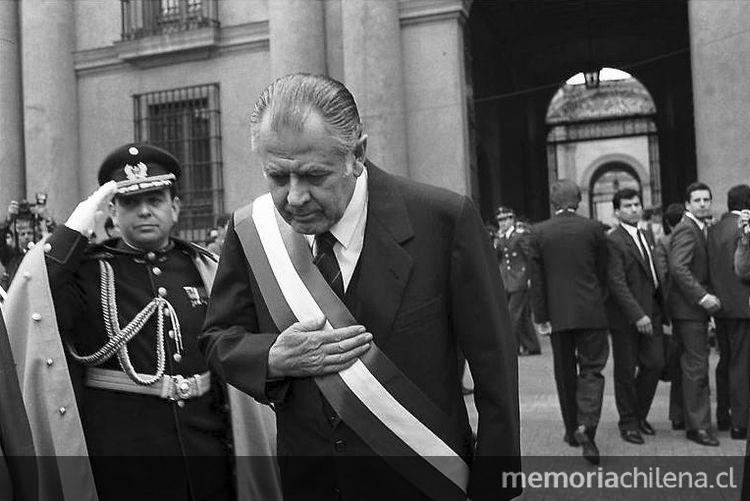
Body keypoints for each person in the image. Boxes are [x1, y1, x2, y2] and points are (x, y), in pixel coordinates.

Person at [200, 73, 521, 501]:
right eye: (277, 177)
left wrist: (495, 486)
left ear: (357, 155)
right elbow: (219, 338)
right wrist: (271, 357)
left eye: (314, 175)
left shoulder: (442, 220)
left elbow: (494, 365)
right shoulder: (251, 232)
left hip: (423, 478)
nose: (294, 198)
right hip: (309, 482)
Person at [3, 143, 279, 500]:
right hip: (125, 458)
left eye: (156, 200)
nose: (145, 211)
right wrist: (75, 227)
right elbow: (35, 293)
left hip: (205, 447)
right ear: (113, 213)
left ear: (175, 206)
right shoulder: (86, 272)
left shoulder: (205, 267)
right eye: (131, 203)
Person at [529, 179, 609, 465]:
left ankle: (571, 431)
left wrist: (541, 317)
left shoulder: (538, 232)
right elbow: (603, 271)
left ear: (553, 202)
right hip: (591, 311)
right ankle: (587, 426)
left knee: (564, 372)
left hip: (558, 314)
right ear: (579, 200)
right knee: (592, 370)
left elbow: (536, 281)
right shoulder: (594, 229)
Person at [605, 188, 666, 445]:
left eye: (636, 204)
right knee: (626, 371)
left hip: (652, 310)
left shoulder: (646, 234)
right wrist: (637, 315)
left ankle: (639, 415)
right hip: (627, 318)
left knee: (655, 363)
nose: (633, 209)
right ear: (617, 211)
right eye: (627, 206)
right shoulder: (613, 240)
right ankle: (628, 423)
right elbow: (616, 282)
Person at [667, 181, 721, 446]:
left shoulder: (697, 228)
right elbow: (679, 267)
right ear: (687, 204)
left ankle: (681, 416)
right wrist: (702, 296)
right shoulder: (688, 230)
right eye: (697, 200)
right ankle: (698, 427)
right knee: (696, 367)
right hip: (689, 309)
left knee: (686, 364)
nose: (702, 204)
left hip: (685, 309)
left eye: (706, 200)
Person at [708, 185, 750, 439]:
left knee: (725, 362)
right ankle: (740, 423)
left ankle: (723, 415)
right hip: (743, 306)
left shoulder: (712, 230)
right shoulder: (743, 229)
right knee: (741, 365)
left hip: (720, 306)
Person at [654, 203, 686, 430]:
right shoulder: (668, 243)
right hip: (685, 309)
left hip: (675, 311)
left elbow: (663, 278)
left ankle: (678, 414)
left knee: (680, 363)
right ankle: (680, 413)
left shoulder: (662, 243)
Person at [495, 206, 540, 355]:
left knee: (512, 314)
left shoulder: (520, 235)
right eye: (500, 220)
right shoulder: (501, 237)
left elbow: (529, 258)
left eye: (505, 219)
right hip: (506, 280)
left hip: (520, 279)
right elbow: (498, 258)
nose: (502, 223)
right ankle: (532, 346)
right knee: (523, 316)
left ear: (511, 219)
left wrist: (530, 278)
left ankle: (511, 348)